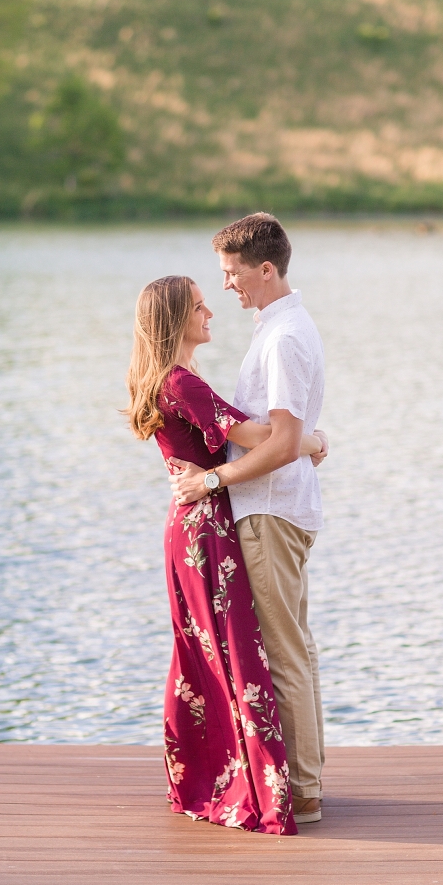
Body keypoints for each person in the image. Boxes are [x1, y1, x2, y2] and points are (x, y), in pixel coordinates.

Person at [124, 273, 324, 835]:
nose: (210, 312)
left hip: (199, 525)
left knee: (212, 651)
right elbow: (255, 434)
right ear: (174, 320)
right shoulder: (180, 382)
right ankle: (244, 782)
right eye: (198, 306)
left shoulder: (176, 380)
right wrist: (310, 441)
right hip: (204, 530)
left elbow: (233, 436)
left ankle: (219, 774)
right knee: (230, 650)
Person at [168, 213, 328, 824]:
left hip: (267, 512)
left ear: (265, 269)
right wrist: (309, 441)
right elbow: (294, 438)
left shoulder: (283, 338)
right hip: (279, 508)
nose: (228, 286)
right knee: (295, 649)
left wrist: (211, 479)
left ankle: (305, 791)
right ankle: (307, 780)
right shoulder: (278, 329)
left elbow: (283, 440)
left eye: (232, 274)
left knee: (284, 652)